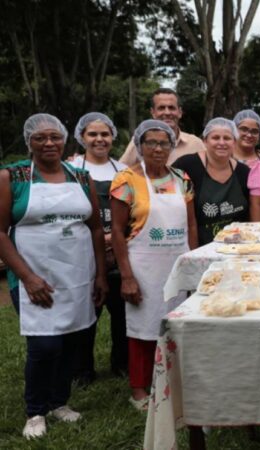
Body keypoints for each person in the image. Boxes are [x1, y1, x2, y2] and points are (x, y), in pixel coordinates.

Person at [0, 114, 107, 438]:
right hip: (34, 276)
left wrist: (101, 275)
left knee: (73, 340)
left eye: (55, 137)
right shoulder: (13, 176)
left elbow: (93, 227)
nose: (49, 143)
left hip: (76, 274)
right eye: (40, 138)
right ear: (29, 141)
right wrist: (27, 278)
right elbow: (1, 232)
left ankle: (59, 402)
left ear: (64, 140)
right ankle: (35, 411)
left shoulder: (80, 176)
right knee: (45, 346)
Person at [110, 120, 198, 411]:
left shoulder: (181, 178)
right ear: (139, 146)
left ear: (172, 147)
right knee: (143, 327)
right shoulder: (126, 181)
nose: (159, 148)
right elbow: (119, 234)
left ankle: (172, 381)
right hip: (143, 265)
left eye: (165, 143)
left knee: (175, 323)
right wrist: (126, 276)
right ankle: (139, 389)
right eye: (152, 143)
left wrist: (194, 264)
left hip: (177, 262)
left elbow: (191, 224)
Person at [70, 113, 129, 384]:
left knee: (121, 313)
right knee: (85, 314)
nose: (99, 139)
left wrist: (114, 237)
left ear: (113, 137)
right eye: (93, 134)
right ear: (82, 137)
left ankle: (121, 362)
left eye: (105, 134)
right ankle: (82, 369)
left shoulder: (123, 169)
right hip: (83, 252)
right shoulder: (70, 169)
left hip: (118, 252)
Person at [173, 118, 250, 245]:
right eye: (215, 138)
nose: (221, 142)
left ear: (234, 142)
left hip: (236, 248)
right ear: (205, 141)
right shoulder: (187, 165)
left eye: (227, 138)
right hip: (197, 246)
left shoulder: (243, 172)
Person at [118, 88, 205, 166]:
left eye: (171, 108)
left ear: (180, 112)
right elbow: (120, 171)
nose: (167, 113)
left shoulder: (195, 144)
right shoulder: (140, 142)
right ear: (153, 113)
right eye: (161, 108)